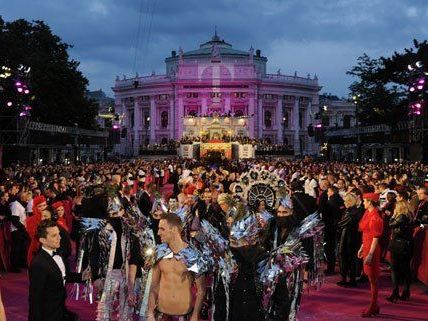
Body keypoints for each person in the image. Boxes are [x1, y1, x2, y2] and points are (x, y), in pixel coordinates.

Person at [146, 213, 206, 321]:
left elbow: (201, 290)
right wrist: (150, 313)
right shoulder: (159, 253)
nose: (158, 233)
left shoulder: (192, 255)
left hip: (183, 316)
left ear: (173, 229)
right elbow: (154, 286)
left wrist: (195, 315)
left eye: (162, 229)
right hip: (161, 315)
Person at [28, 219, 89, 321]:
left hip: (60, 310)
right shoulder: (38, 264)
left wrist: (82, 276)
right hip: (47, 315)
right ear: (42, 240)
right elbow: (35, 298)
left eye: (59, 234)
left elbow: (63, 276)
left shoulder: (60, 255)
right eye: (54, 236)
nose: (59, 238)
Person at [358, 193, 383, 318]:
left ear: (370, 202)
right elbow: (365, 232)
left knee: (373, 279)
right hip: (366, 246)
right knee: (370, 278)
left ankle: (373, 305)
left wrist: (370, 254)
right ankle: (375, 305)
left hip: (372, 249)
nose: (363, 203)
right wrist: (362, 247)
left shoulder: (375, 217)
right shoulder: (368, 213)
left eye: (364, 201)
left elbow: (375, 238)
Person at [387, 200, 413, 302]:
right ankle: (406, 292)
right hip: (407, 245)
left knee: (394, 269)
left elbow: (390, 224)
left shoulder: (401, 217)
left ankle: (395, 292)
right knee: (406, 268)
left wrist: (393, 215)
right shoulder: (410, 216)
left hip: (399, 245)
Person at [337, 193, 363, 287]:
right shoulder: (354, 211)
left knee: (346, 259)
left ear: (349, 201)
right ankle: (347, 279)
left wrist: (338, 223)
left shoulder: (351, 212)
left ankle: (349, 279)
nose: (344, 202)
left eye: (345, 200)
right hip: (352, 237)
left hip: (348, 238)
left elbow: (341, 224)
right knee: (349, 259)